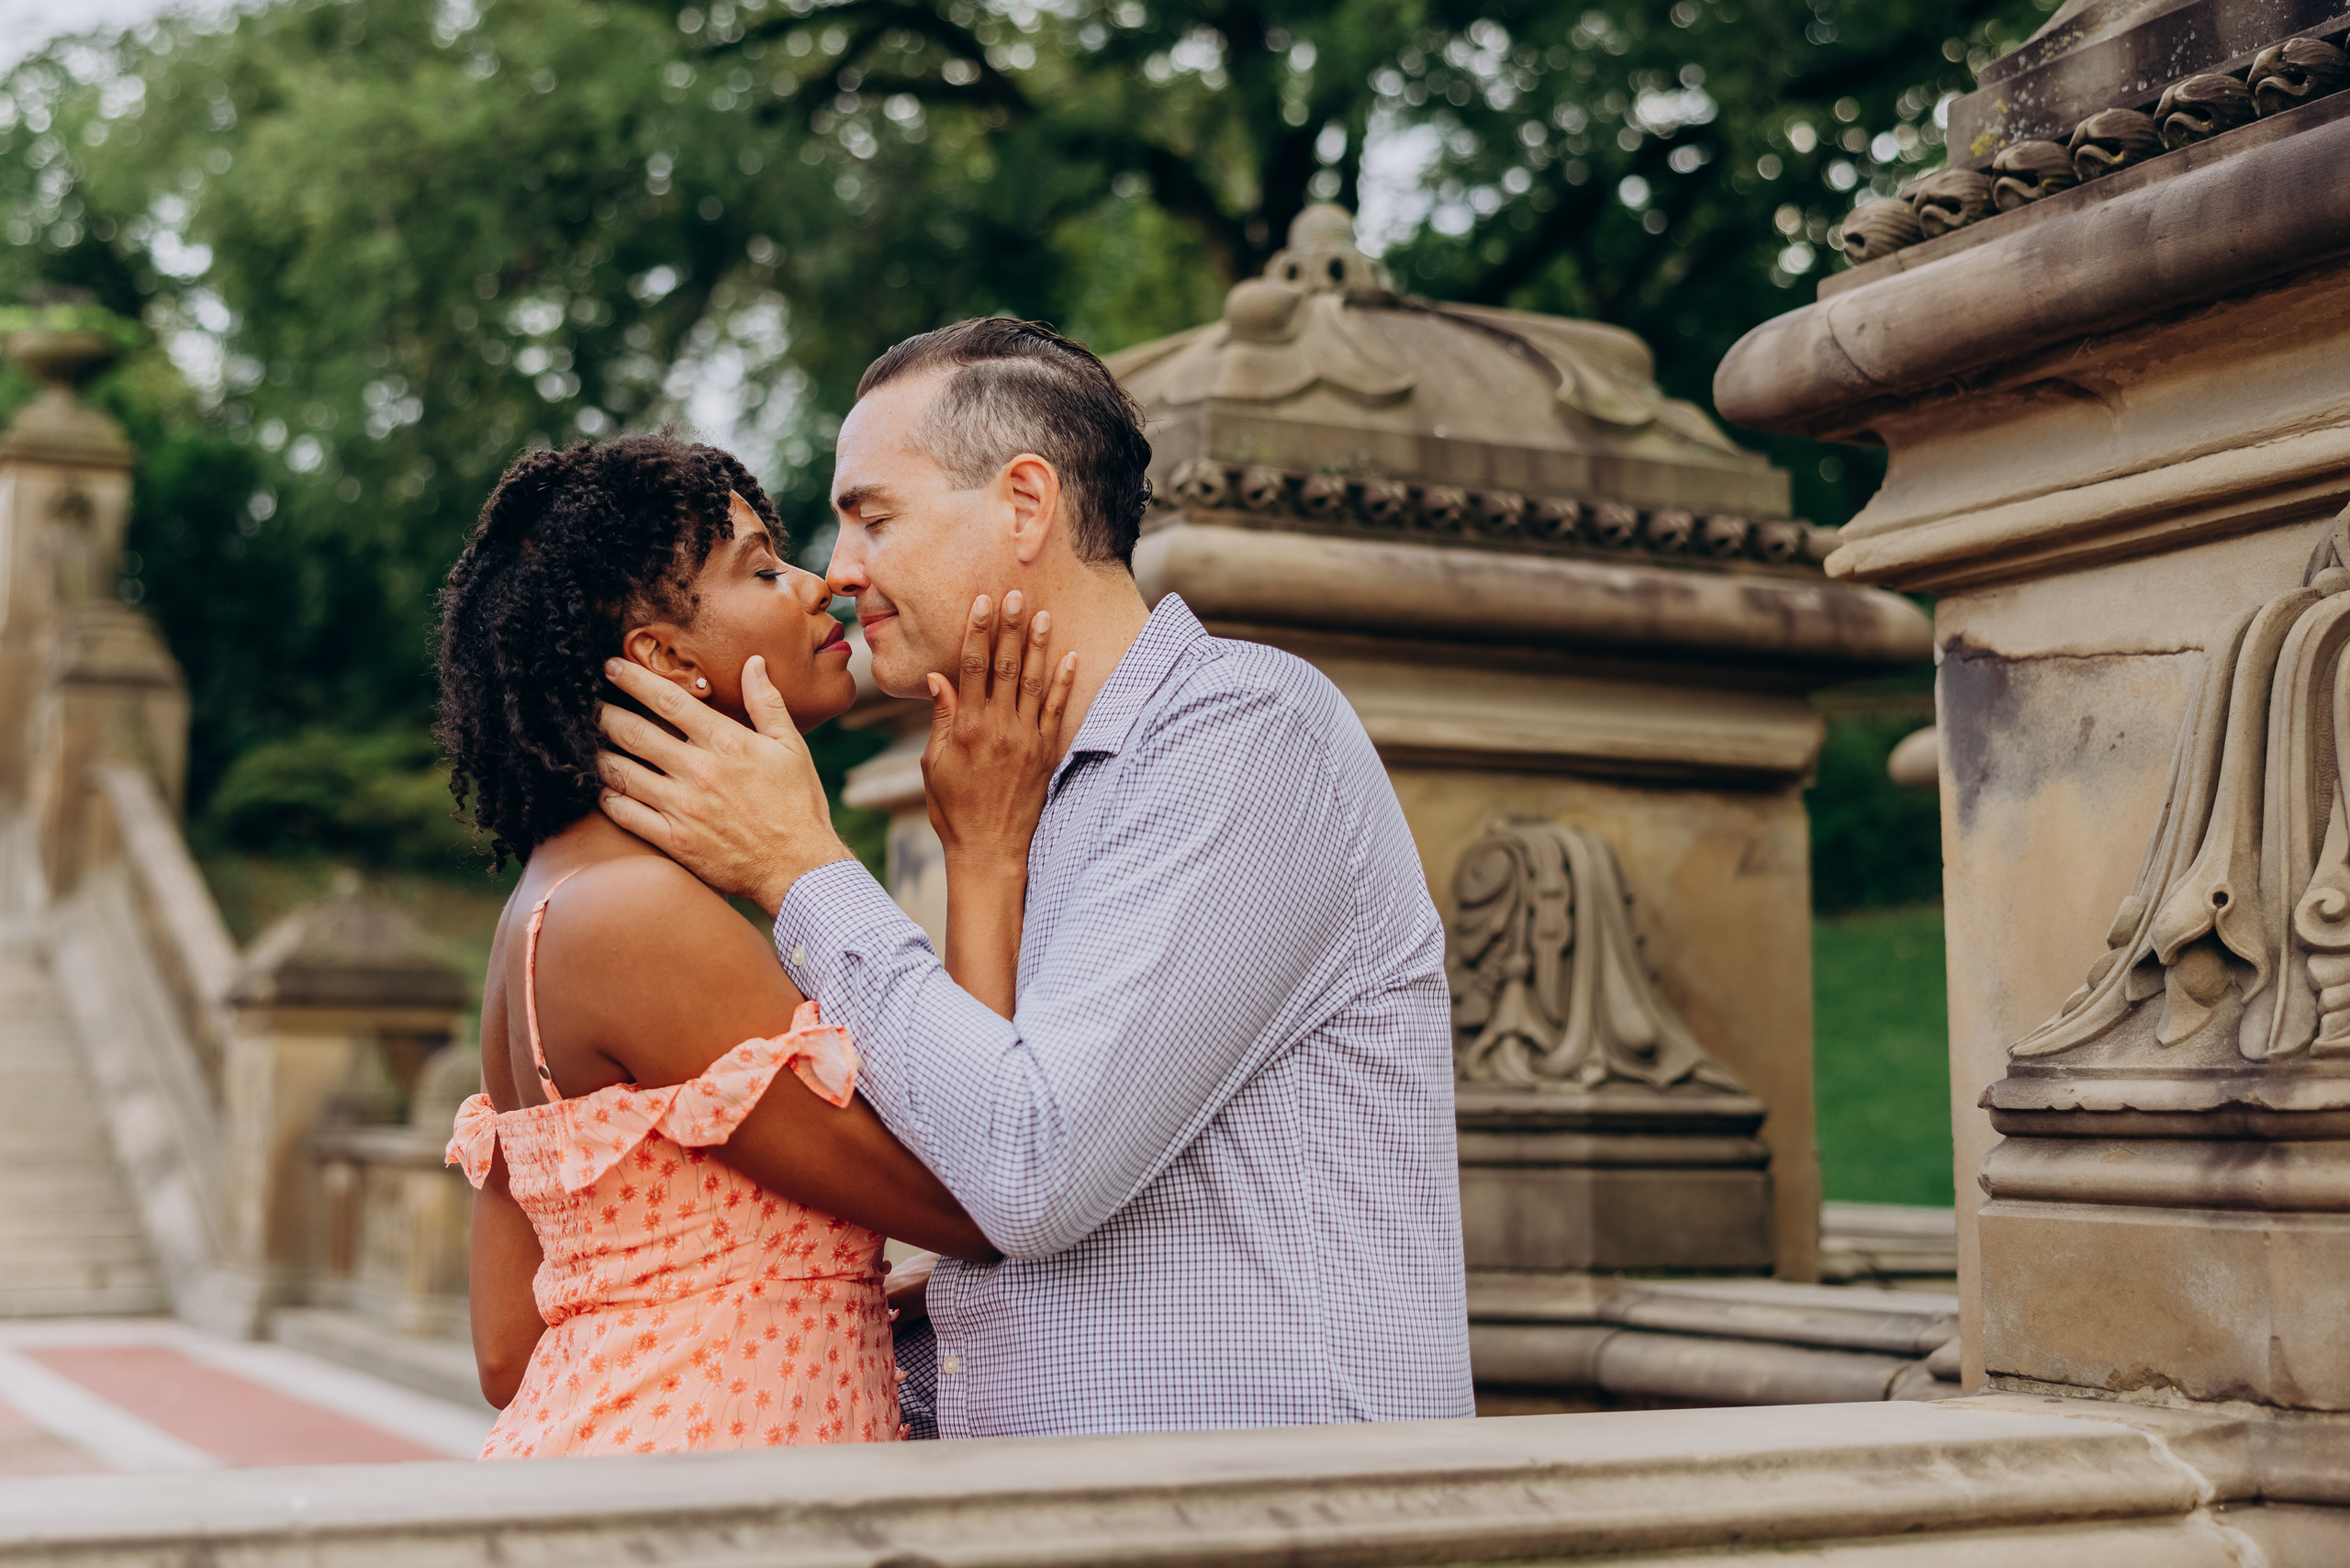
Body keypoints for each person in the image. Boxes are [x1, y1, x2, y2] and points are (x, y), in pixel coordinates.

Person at [596, 319, 1474, 1439]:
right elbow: (993, 1158)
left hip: (1257, 1508)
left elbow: (1029, 1165)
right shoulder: (1006, 786)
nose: (840, 569)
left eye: (873, 516)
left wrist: (798, 865)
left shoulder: (1243, 732)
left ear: (1024, 504)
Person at [433, 432, 1069, 1458]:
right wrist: (985, 851)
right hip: (699, 1502)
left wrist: (800, 1291)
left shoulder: (552, 907)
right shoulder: (638, 918)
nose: (821, 585)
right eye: (764, 570)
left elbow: (511, 1351)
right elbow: (981, 1192)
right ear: (667, 659)